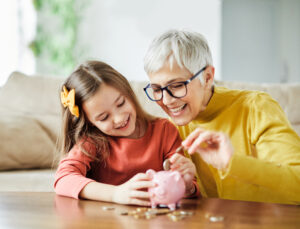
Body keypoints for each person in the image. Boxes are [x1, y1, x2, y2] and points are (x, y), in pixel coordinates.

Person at [143, 29, 300, 204]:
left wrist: (233, 163)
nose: (166, 100)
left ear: (208, 77)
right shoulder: (171, 128)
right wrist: (185, 187)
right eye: (157, 89)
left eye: (177, 85)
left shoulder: (257, 108)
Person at [54, 60, 199, 206]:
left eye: (121, 103)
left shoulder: (165, 130)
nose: (119, 118)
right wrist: (115, 194)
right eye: (104, 117)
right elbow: (63, 178)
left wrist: (187, 185)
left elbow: (186, 188)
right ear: (91, 122)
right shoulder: (92, 141)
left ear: (128, 93)